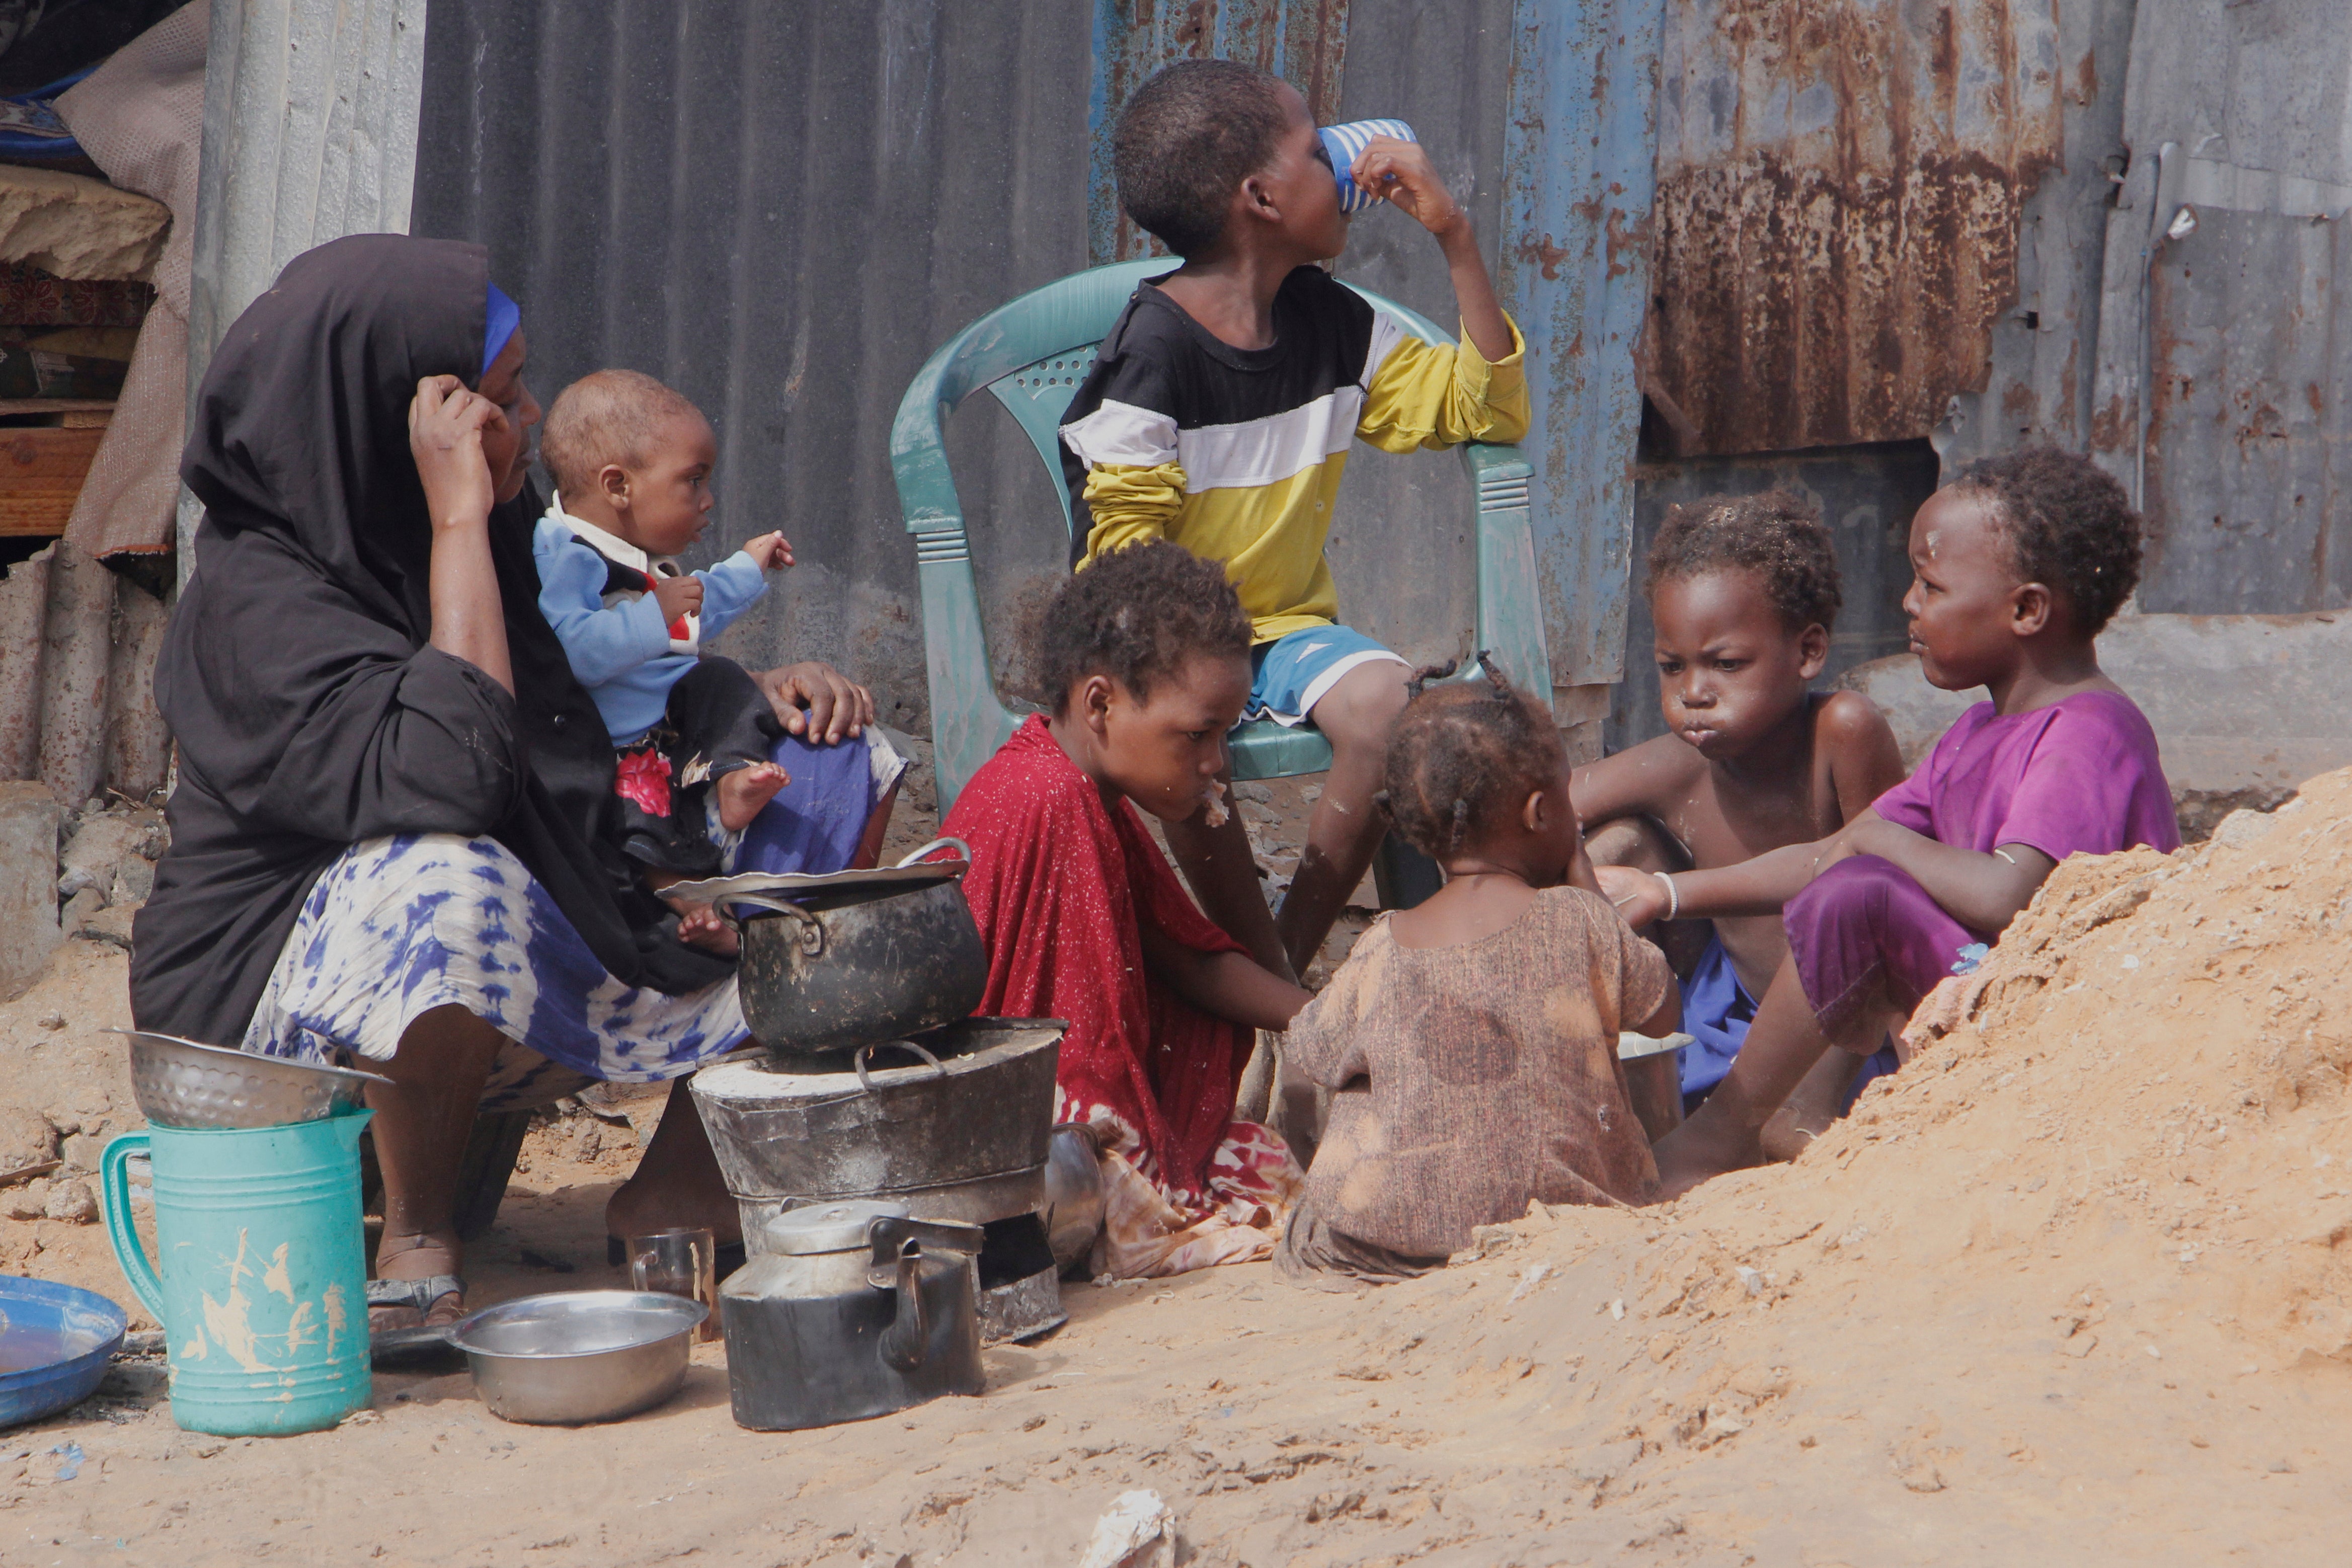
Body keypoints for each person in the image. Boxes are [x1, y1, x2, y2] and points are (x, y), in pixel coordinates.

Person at [129, 235, 894, 1342]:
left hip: (507, 965)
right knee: (446, 874)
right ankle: (419, 1238)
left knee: (830, 764)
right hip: (282, 1024)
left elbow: (587, 692)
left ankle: (683, 1182)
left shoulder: (509, 532)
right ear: (405, 420)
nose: (531, 416)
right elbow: (458, 777)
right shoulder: (258, 607)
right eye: (501, 395)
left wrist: (742, 700)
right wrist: (453, 523)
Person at [1059, 58, 1529, 981]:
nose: (1348, 164)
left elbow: (1482, 412)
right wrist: (1208, 665)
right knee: (1193, 725)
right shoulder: (1150, 352)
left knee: (1389, 705)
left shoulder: (1332, 324)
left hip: (1285, 629)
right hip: (1156, 640)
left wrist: (1455, 235)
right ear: (1262, 198)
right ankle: (1258, 972)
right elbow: (1126, 562)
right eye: (1319, 150)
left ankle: (1280, 959)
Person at [1614, 448, 2180, 1197]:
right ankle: (1799, 1119)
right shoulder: (1975, 733)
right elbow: (1828, 854)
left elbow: (2010, 896)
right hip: (1974, 993)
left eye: (1931, 584)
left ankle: (1721, 1135)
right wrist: (1669, 892)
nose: (1908, 603)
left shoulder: (2085, 732)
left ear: (2026, 610)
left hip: (2061, 1022)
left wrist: (1879, 842)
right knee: (1845, 887)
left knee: (1861, 896)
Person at [943, 541, 1315, 1278]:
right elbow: (1081, 1052)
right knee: (1224, 1205)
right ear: (1101, 704)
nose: (1215, 764)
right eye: (1197, 735)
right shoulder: (1046, 801)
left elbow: (1188, 960)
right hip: (1022, 1143)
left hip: (1069, 1130)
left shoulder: (1086, 792)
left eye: (1224, 735)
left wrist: (1328, 1018)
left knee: (1271, 1166)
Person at [1276, 665, 1680, 1287]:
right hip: (1566, 1229)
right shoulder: (1576, 919)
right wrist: (1588, 884)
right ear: (1542, 811)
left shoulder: (1381, 946)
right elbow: (1663, 1013)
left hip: (1384, 1249)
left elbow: (1303, 1068)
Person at [532, 370, 906, 950]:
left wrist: (747, 568)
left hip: (673, 729)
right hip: (621, 748)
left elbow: (698, 610)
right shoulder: (564, 553)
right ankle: (692, 902)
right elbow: (575, 651)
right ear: (618, 485)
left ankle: (732, 781)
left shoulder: (637, 559)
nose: (707, 499)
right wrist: (653, 618)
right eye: (693, 481)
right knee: (644, 817)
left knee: (722, 675)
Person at [1573, 492, 1906, 1117]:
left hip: (1846, 1037)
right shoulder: (1680, 762)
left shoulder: (1844, 733)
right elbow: (1539, 806)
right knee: (1619, 840)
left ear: (1807, 652)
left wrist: (1665, 891)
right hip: (1724, 1017)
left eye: (1726, 664)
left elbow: (1883, 888)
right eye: (1672, 667)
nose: (1694, 692)